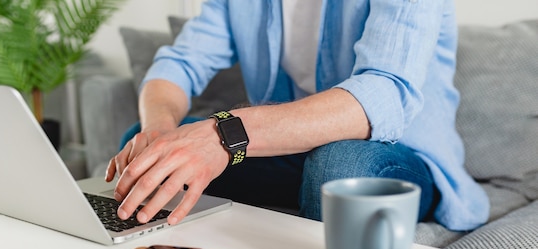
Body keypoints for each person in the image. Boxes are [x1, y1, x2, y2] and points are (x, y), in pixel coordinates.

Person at [105, 0, 489, 232]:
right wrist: (159, 133)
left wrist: (225, 135)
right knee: (145, 146)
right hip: (289, 155)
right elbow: (179, 65)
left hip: (393, 157)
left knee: (340, 169)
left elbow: (384, 92)